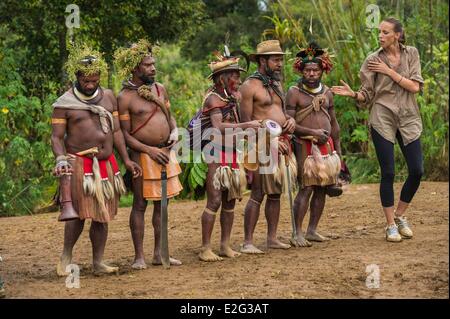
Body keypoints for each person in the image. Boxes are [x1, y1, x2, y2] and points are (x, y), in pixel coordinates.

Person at [51, 44, 141, 276]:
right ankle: (66, 256)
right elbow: (57, 137)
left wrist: (126, 160)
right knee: (79, 213)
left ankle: (98, 261)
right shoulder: (64, 103)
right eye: (85, 81)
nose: (90, 85)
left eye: (94, 80)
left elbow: (118, 131)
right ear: (77, 76)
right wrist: (61, 158)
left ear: (100, 76)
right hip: (79, 163)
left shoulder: (109, 96)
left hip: (106, 163)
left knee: (102, 214)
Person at [331, 18, 423, 242]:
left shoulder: (411, 53)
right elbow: (367, 95)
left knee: (417, 170)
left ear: (398, 35)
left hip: (409, 117)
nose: (380, 36)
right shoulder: (372, 60)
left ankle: (401, 216)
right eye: (379, 32)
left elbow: (415, 87)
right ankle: (390, 224)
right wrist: (354, 94)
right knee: (388, 172)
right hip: (382, 117)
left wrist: (389, 71)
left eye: (385, 32)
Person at [115, 40, 183, 269]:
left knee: (162, 205)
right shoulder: (124, 97)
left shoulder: (159, 89)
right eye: (147, 65)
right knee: (140, 204)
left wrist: (174, 131)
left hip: (165, 151)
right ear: (135, 68)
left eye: (153, 64)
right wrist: (150, 150)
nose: (153, 68)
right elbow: (124, 135)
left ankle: (160, 253)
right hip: (142, 155)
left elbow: (169, 115)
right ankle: (139, 257)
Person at [192, 50, 261, 262]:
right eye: (234, 76)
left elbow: (234, 124)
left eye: (238, 76)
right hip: (215, 152)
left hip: (232, 153)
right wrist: (247, 125)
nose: (238, 80)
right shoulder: (213, 99)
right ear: (222, 78)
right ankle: (205, 248)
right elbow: (218, 127)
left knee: (230, 200)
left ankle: (224, 245)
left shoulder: (230, 98)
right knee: (214, 201)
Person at [239, 40, 297, 254]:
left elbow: (280, 112)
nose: (280, 64)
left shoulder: (277, 84)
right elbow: (246, 124)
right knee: (258, 193)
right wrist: (269, 142)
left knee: (276, 193)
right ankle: (247, 242)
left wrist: (290, 121)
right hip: (262, 145)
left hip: (282, 143)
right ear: (262, 61)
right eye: (275, 60)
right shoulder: (249, 87)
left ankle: (272, 238)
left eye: (281, 59)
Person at [286, 43, 342, 247]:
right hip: (304, 145)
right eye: (307, 70)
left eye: (315, 70)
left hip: (326, 146)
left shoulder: (327, 92)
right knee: (306, 187)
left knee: (322, 188)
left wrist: (338, 151)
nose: (311, 74)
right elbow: (289, 124)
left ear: (322, 71)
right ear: (301, 70)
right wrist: (312, 133)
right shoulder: (294, 92)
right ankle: (297, 232)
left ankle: (312, 230)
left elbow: (334, 123)